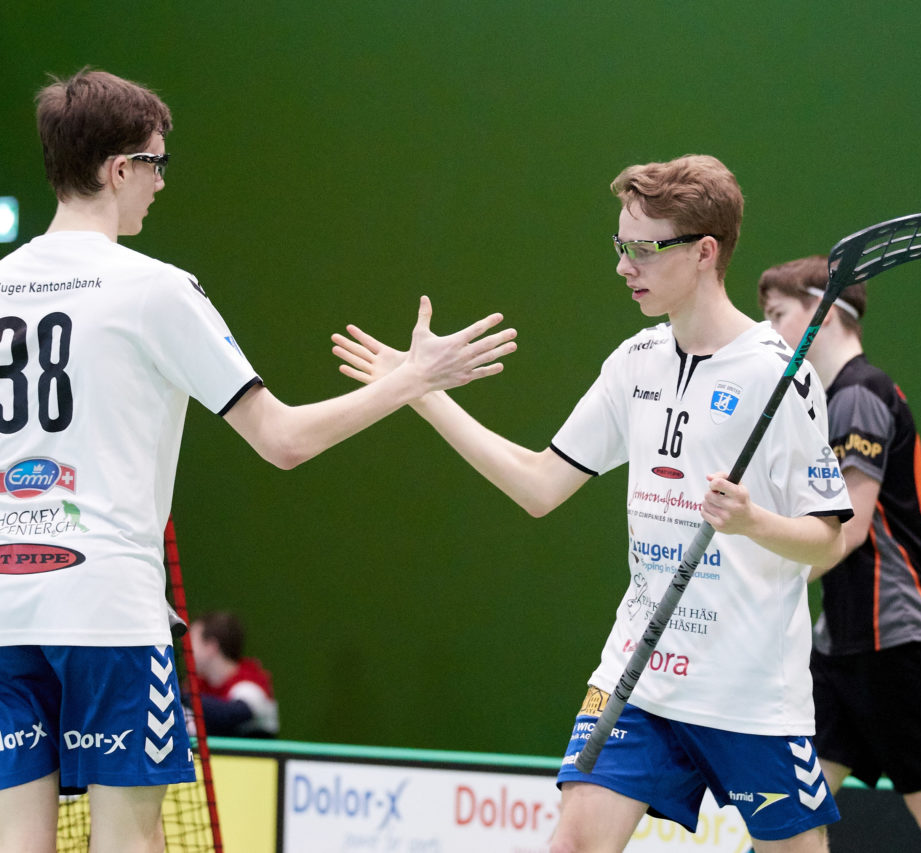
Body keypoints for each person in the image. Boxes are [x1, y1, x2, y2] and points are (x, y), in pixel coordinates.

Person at [0, 67, 516, 853]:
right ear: (117, 168)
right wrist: (412, 378)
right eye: (157, 164)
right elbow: (283, 439)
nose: (161, 185)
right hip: (107, 611)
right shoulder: (157, 290)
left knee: (18, 841)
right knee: (131, 842)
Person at [333, 154, 853, 853]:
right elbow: (540, 484)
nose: (623, 266)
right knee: (574, 844)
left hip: (749, 692)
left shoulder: (776, 377)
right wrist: (421, 394)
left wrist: (752, 520)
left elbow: (828, 542)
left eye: (643, 249)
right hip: (636, 675)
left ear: (704, 252)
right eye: (621, 246)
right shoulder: (634, 362)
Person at [758, 256, 921, 853]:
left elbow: (848, 528)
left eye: (777, 315)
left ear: (822, 315)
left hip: (897, 637)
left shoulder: (860, 394)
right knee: (789, 813)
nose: (767, 331)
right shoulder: (827, 402)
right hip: (839, 643)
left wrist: (761, 584)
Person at [189, 611, 278, 738]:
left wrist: (182, 697)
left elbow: (235, 714)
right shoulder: (196, 685)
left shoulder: (252, 681)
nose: (186, 649)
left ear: (211, 646)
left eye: (191, 641)